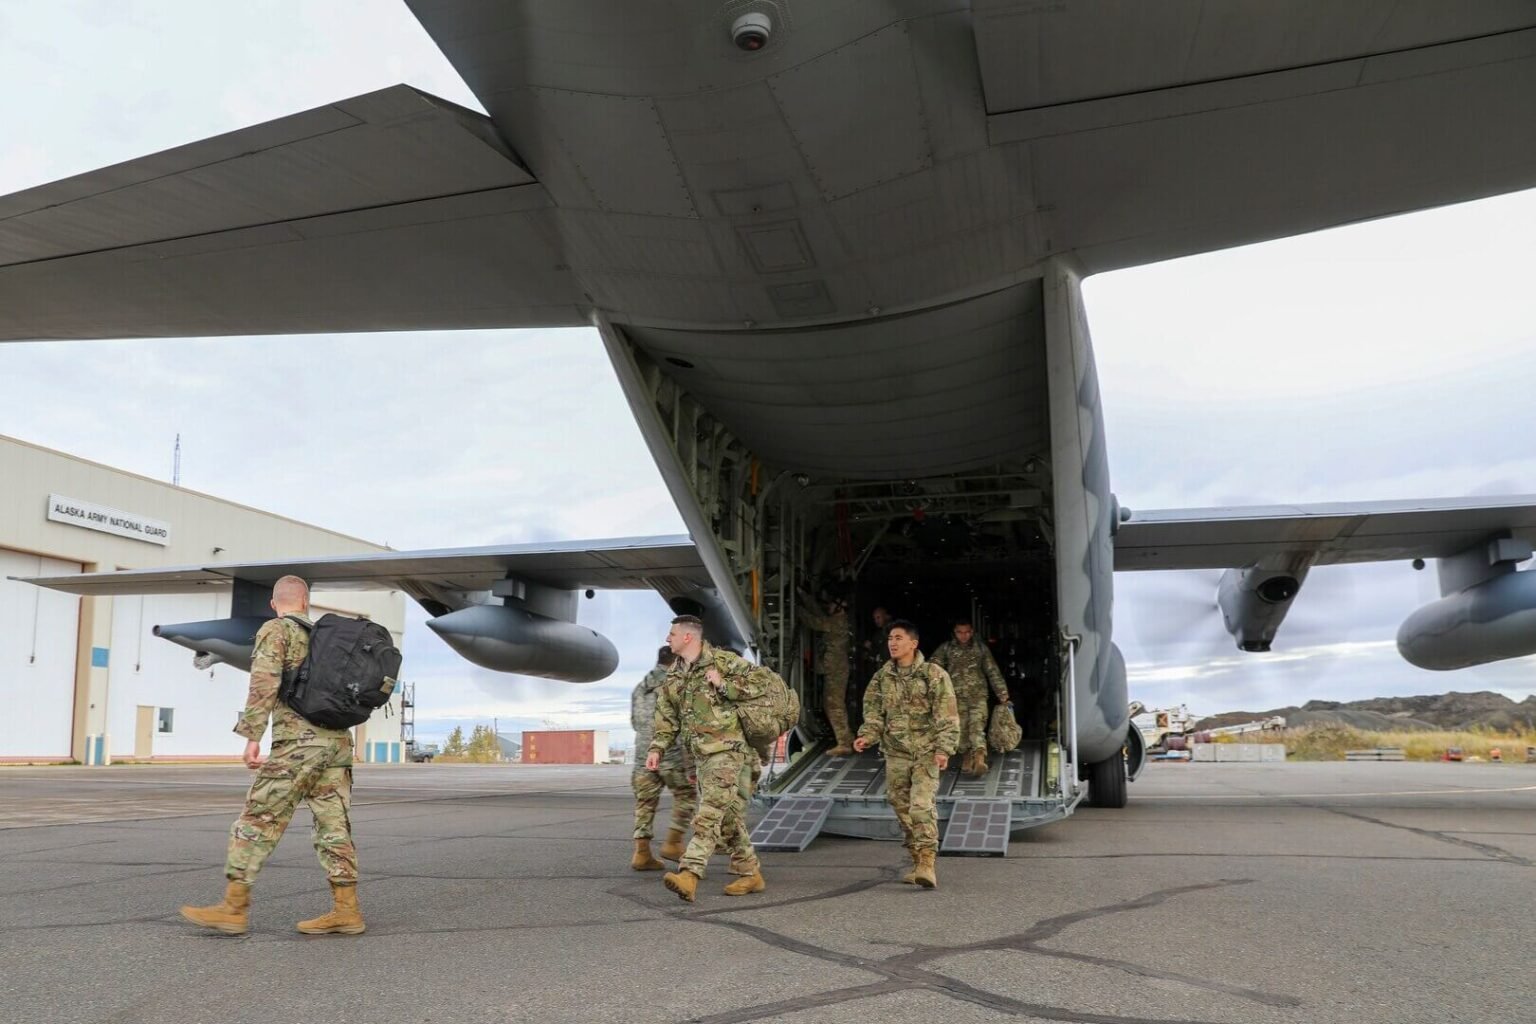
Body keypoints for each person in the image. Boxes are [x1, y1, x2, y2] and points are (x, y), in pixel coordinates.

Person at [179, 575, 363, 935]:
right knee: (334, 826)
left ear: (274, 603)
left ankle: (233, 908)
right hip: (338, 744)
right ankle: (347, 909)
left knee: (258, 819)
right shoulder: (328, 639)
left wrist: (252, 737)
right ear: (306, 602)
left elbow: (264, 683)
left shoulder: (276, 630)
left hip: (298, 745)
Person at [647, 614, 769, 902]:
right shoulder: (674, 675)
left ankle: (689, 874)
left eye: (672, 634)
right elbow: (666, 717)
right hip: (701, 756)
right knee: (726, 818)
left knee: (708, 814)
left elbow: (761, 682)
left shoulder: (723, 662)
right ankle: (751, 873)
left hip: (727, 751)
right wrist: (657, 748)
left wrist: (725, 686)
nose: (668, 639)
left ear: (688, 637)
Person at [853, 619, 959, 888]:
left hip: (926, 751)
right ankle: (915, 858)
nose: (893, 642)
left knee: (921, 805)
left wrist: (944, 749)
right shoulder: (882, 677)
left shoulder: (933, 675)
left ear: (913, 643)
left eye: (898, 638)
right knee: (901, 807)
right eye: (890, 638)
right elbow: (874, 711)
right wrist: (867, 735)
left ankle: (927, 862)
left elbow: (947, 715)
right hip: (896, 753)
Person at [630, 645, 697, 869]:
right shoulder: (679, 685)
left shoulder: (641, 688)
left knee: (645, 804)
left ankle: (641, 854)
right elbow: (687, 726)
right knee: (686, 795)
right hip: (671, 755)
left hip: (642, 756)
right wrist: (692, 766)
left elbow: (635, 723)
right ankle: (673, 843)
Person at [930, 620, 1012, 776]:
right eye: (960, 632)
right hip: (955, 696)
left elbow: (992, 670)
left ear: (972, 632)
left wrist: (1002, 692)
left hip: (978, 695)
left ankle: (980, 758)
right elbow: (933, 668)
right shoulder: (946, 649)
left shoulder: (980, 648)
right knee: (961, 728)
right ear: (954, 633)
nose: (963, 635)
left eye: (967, 632)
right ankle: (967, 757)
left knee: (977, 726)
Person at [799, 591, 855, 755]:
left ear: (839, 609)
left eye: (832, 605)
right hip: (835, 668)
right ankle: (847, 738)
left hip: (836, 670)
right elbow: (819, 613)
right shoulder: (837, 620)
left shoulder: (838, 622)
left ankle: (844, 743)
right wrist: (805, 596)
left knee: (834, 705)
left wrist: (799, 610)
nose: (829, 607)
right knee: (833, 704)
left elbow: (816, 622)